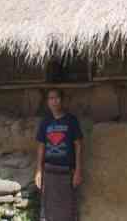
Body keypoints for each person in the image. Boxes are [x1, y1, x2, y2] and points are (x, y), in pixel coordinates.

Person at [34, 88, 83, 221]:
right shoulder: (45, 122)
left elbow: (78, 145)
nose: (54, 101)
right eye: (50, 98)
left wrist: (78, 170)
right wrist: (39, 171)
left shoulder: (71, 120)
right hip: (49, 172)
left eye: (56, 98)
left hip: (68, 172)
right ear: (47, 102)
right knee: (48, 209)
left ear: (62, 101)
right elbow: (41, 147)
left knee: (69, 210)